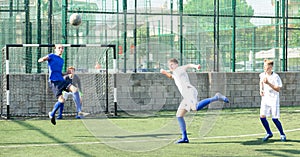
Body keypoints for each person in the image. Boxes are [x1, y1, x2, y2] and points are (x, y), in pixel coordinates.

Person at [160, 58, 229, 144]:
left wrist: (196, 66)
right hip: (186, 96)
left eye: (171, 65)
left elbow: (188, 65)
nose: (170, 67)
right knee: (179, 115)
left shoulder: (179, 69)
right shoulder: (175, 73)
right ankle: (184, 138)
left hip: (189, 92)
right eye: (169, 65)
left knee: (195, 108)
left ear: (176, 64)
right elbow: (171, 76)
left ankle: (216, 97)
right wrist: (164, 72)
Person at [38, 44, 88, 125]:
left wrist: (66, 74)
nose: (61, 49)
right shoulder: (51, 56)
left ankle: (79, 111)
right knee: (61, 100)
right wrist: (43, 59)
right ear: (55, 49)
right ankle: (52, 113)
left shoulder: (61, 60)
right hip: (54, 82)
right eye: (59, 48)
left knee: (75, 89)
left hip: (61, 80)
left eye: (62, 48)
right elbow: (42, 59)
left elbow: (59, 72)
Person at [259, 59, 286, 142]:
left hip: (274, 99)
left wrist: (268, 83)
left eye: (266, 66)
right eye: (263, 66)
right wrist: (261, 89)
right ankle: (269, 133)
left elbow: (278, 89)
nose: (264, 67)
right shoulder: (262, 74)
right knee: (262, 116)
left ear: (270, 67)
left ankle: (282, 134)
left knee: (274, 119)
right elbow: (261, 82)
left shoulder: (275, 77)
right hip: (265, 99)